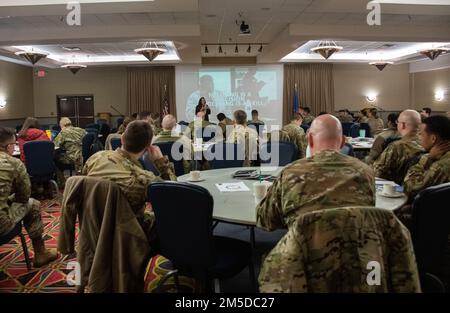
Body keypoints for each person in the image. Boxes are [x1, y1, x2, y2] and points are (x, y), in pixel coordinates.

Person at [256, 114, 375, 231]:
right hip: (355, 248)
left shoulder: (290, 173)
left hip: (303, 248)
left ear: (310, 140)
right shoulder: (365, 172)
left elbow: (265, 220)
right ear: (343, 142)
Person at [82, 120, 177, 242]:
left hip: (93, 229)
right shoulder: (143, 179)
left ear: (122, 138)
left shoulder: (96, 158)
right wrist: (161, 162)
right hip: (128, 237)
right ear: (148, 148)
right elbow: (173, 195)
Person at [0, 127, 58, 267]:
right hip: (1, 226)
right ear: (9, 146)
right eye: (14, 145)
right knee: (33, 204)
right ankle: (41, 254)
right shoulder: (13, 163)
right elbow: (24, 196)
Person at [403, 115, 450, 201]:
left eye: (421, 134)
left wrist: (427, 158)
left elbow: (409, 188)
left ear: (433, 138)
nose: (418, 137)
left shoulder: (440, 166)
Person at [373, 110, 424, 185]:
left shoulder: (397, 147)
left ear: (402, 125)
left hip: (398, 190)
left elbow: (377, 172)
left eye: (398, 122)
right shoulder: (428, 144)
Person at [54, 117, 87, 185]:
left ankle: (62, 182)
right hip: (83, 157)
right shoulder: (82, 130)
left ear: (62, 125)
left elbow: (55, 146)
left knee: (54, 159)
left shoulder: (63, 132)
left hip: (71, 158)